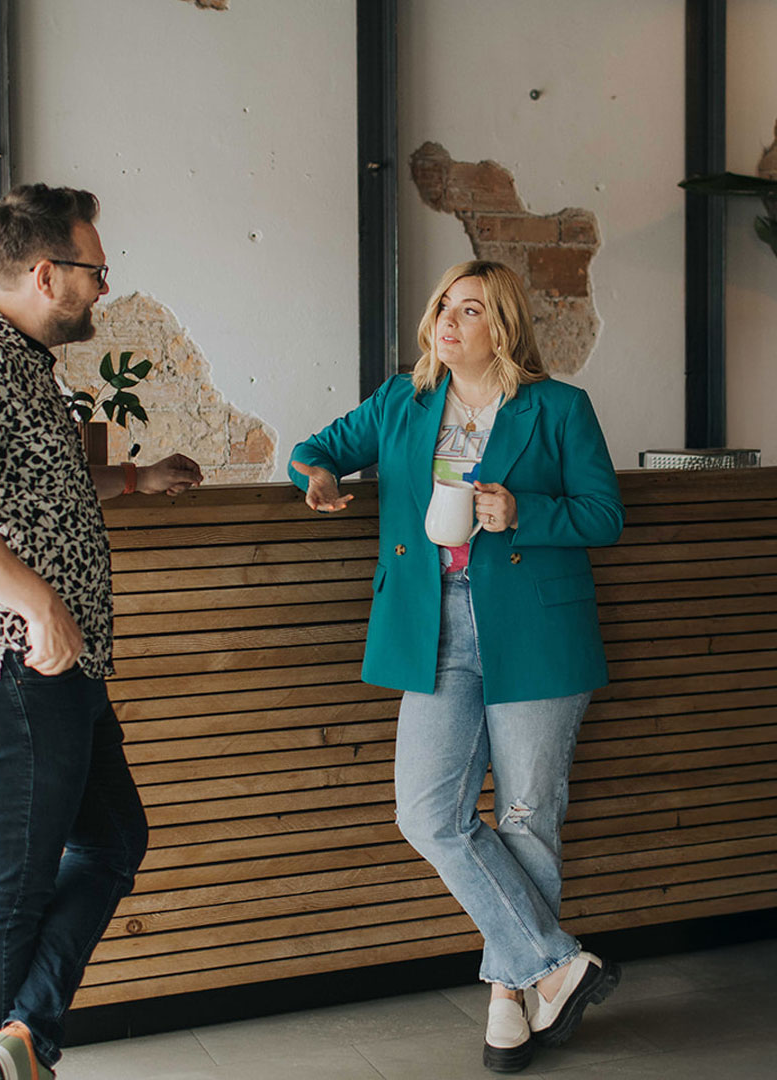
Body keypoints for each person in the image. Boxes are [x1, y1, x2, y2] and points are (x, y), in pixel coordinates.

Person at [0, 183, 203, 1080]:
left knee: (113, 840)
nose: (103, 286)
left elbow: (33, 482)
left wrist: (134, 480)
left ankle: (20, 1041)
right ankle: (2, 1062)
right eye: (95, 271)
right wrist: (37, 602)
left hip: (50, 674)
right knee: (10, 892)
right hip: (9, 669)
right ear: (44, 273)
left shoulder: (22, 362)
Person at [289, 260, 624, 1073]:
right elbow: (313, 449)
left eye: (469, 309)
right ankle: (555, 964)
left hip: (537, 631)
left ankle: (510, 995)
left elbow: (604, 515)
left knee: (526, 817)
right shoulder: (401, 401)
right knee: (427, 813)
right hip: (431, 630)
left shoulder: (558, 408)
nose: (447, 319)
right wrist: (320, 475)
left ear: (501, 326)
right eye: (444, 304)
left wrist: (523, 512)